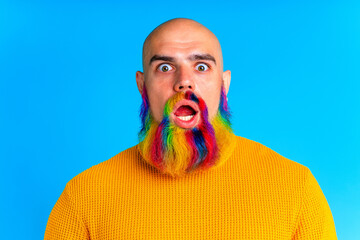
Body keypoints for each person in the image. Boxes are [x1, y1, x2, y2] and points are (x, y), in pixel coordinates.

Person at [44, 18, 337, 239]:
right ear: (142, 86)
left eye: (201, 67)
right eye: (165, 67)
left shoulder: (296, 187)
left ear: (224, 85)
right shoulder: (83, 195)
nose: (184, 82)